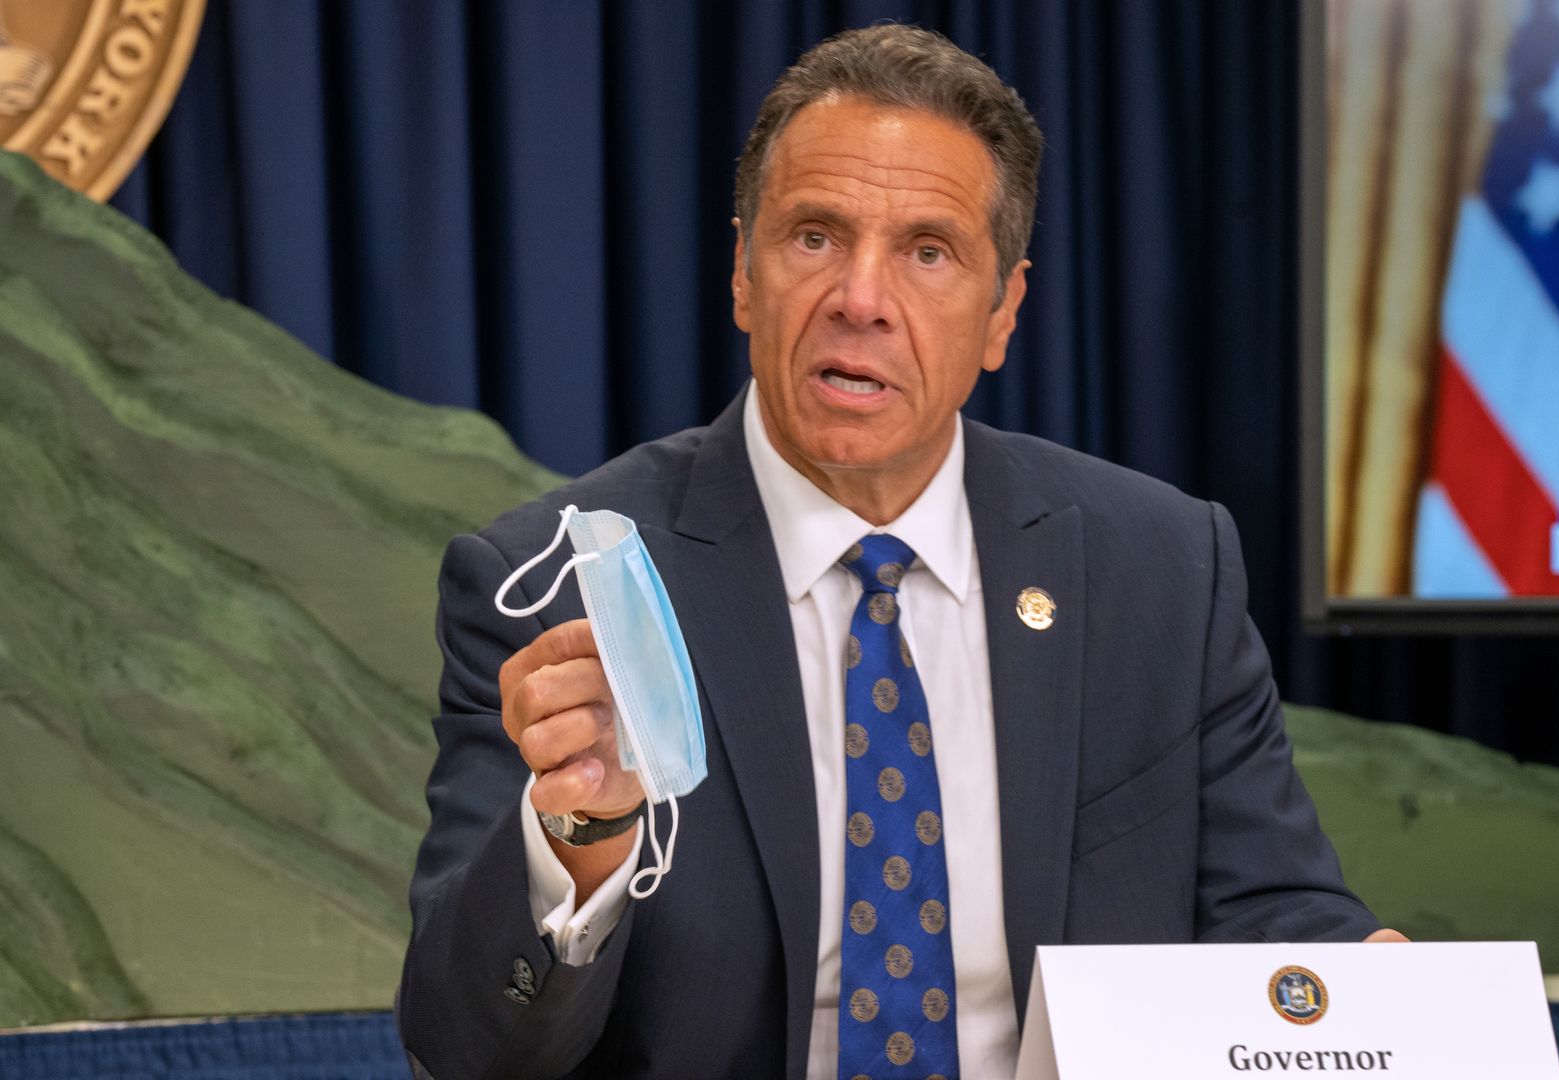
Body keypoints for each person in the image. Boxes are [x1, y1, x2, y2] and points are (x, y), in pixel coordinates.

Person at [397, 24, 1396, 1080]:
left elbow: (1278, 922)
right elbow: (467, 1050)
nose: (861, 299)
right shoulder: (571, 591)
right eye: (815, 236)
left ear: (1004, 312)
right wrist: (578, 844)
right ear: (744, 276)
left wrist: (1382, 996)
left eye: (928, 251)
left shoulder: (1161, 569)